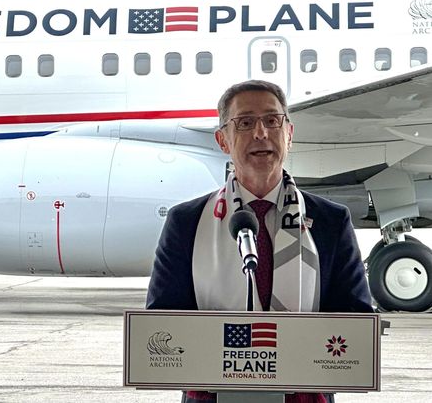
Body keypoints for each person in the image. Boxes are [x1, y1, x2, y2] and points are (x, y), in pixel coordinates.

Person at [146, 80, 373, 403]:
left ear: (289, 134)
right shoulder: (187, 222)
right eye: (245, 123)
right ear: (222, 140)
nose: (261, 134)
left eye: (271, 120)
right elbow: (163, 319)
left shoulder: (330, 221)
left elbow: (354, 320)